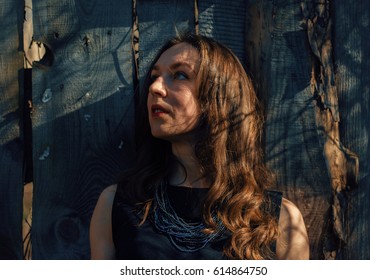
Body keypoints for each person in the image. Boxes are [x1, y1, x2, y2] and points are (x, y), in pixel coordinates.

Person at [89, 33, 309, 260]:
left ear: (219, 97)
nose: (155, 87)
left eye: (179, 75)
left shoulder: (281, 221)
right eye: (155, 76)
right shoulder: (116, 206)